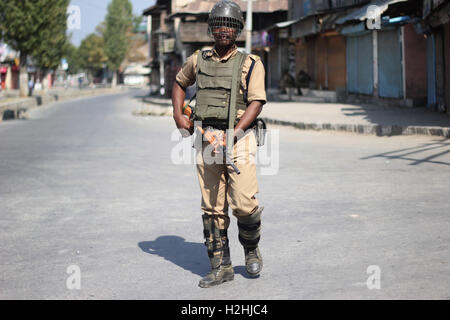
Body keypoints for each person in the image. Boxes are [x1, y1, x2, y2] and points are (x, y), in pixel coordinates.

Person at [171, 0, 266, 288]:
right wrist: (178, 115)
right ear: (211, 28)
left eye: (230, 25)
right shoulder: (198, 59)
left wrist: (234, 133)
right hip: (207, 140)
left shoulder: (251, 63)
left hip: (238, 138)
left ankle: (251, 249)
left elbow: (256, 102)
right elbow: (179, 83)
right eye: (219, 25)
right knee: (212, 206)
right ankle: (220, 265)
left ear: (237, 30)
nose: (224, 30)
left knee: (245, 203)